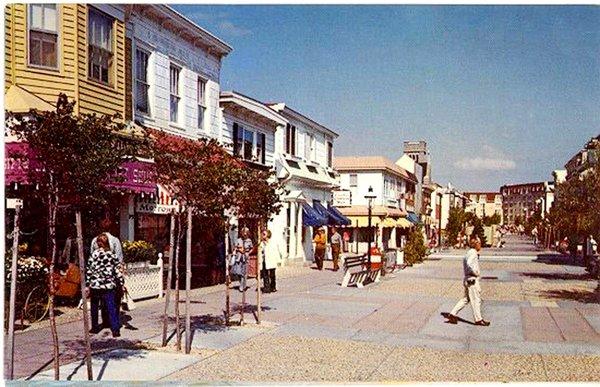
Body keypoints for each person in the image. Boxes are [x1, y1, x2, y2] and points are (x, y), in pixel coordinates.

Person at [445, 236, 490, 326]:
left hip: (467, 279)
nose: (480, 246)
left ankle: (452, 314)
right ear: (476, 244)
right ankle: (478, 319)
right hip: (472, 279)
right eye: (480, 243)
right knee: (476, 300)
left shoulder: (469, 252)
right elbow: (469, 264)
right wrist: (475, 272)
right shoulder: (473, 253)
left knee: (466, 299)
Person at [86, 233, 124, 337]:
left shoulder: (93, 255)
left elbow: (89, 271)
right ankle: (115, 330)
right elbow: (117, 271)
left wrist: (88, 284)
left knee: (94, 307)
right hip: (108, 285)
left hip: (95, 285)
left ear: (97, 244)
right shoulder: (112, 255)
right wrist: (121, 283)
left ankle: (94, 327)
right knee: (111, 307)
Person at [232, 227, 252, 292]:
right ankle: (241, 283)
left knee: (244, 273)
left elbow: (251, 248)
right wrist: (239, 249)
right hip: (239, 257)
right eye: (243, 232)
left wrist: (248, 252)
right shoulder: (238, 240)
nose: (245, 234)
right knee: (238, 272)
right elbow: (234, 248)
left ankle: (243, 286)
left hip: (245, 257)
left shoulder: (249, 241)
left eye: (246, 232)